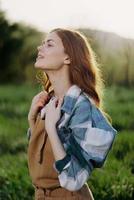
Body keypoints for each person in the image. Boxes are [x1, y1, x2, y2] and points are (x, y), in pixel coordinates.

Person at [27, 28, 117, 200]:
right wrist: (32, 119)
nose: (40, 48)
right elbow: (39, 160)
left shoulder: (81, 108)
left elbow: (74, 179)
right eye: (42, 43)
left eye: (49, 44)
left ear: (67, 57)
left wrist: (52, 129)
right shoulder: (49, 102)